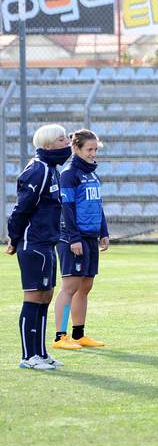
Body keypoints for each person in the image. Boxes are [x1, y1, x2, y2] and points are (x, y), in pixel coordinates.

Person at [6, 124, 72, 370]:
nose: (67, 143)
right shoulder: (38, 170)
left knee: (45, 296)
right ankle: (28, 356)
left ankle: (41, 353)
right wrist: (13, 238)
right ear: (47, 145)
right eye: (61, 139)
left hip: (47, 242)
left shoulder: (52, 169)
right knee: (33, 297)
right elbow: (21, 208)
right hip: (33, 243)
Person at [52, 129, 109, 350]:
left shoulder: (92, 174)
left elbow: (97, 205)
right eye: (89, 149)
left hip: (90, 236)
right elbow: (67, 208)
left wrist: (103, 232)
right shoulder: (69, 173)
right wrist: (74, 238)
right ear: (76, 148)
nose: (93, 153)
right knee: (70, 286)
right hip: (72, 237)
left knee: (86, 286)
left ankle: (79, 334)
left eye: (95, 149)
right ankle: (60, 336)